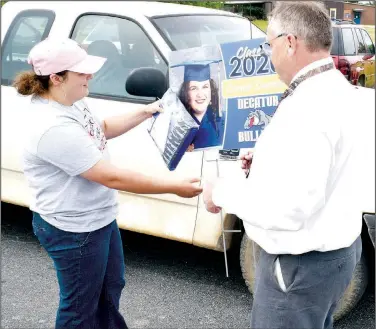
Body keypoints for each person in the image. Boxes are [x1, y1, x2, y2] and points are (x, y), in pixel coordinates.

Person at [203, 2, 375, 329]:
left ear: (290, 42)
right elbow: (336, 163)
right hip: (337, 254)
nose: (269, 54)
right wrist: (267, 161)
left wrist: (221, 192)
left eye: (270, 44)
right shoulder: (342, 91)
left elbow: (288, 208)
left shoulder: (305, 110)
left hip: (299, 268)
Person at [14, 37, 203, 329]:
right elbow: (110, 176)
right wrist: (173, 186)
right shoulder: (51, 126)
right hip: (74, 229)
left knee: (109, 288)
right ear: (56, 78)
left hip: (97, 219)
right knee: (79, 309)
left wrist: (148, 110)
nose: (90, 75)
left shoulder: (70, 101)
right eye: (82, 72)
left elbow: (100, 129)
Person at [175, 60, 225, 149]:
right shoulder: (177, 126)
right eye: (193, 88)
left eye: (205, 87)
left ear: (211, 91)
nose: (200, 94)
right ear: (186, 93)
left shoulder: (223, 121)